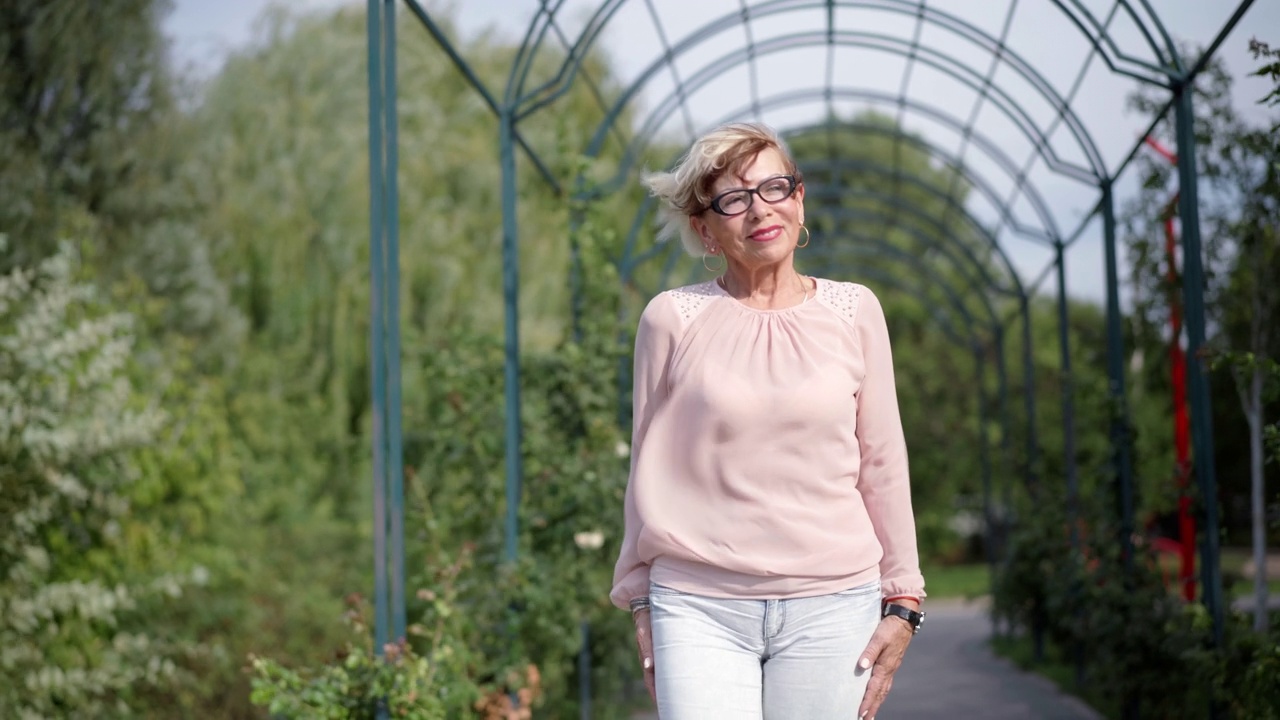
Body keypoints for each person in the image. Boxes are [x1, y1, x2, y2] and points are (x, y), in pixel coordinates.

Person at [610, 122, 926, 720]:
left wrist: (903, 600)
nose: (759, 209)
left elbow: (883, 462)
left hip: (833, 603)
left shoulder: (855, 310)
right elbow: (645, 472)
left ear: (798, 198)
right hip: (698, 604)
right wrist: (641, 602)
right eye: (733, 198)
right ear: (705, 230)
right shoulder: (671, 319)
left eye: (773, 187)